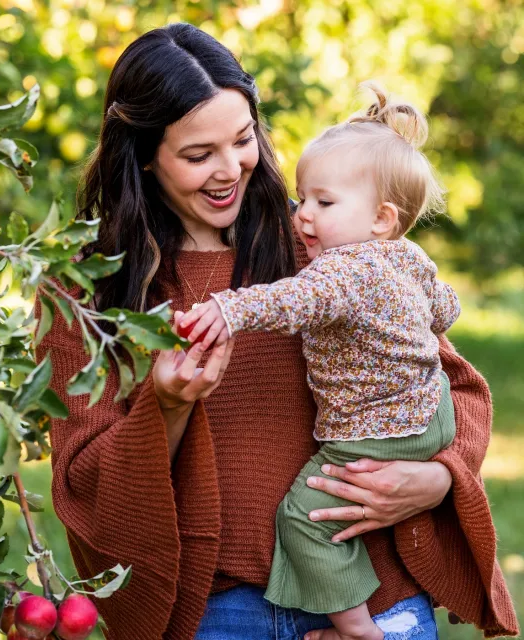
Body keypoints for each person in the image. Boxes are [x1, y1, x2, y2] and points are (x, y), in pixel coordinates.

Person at [35, 23, 518, 640]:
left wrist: (437, 477)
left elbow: (453, 385)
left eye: (242, 141)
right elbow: (84, 486)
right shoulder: (85, 290)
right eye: (197, 154)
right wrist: (167, 405)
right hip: (215, 613)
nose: (230, 169)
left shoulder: (321, 243)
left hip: (374, 598)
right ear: (143, 154)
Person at [178, 85, 476, 640]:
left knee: (305, 518)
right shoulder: (406, 254)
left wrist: (228, 307)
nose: (304, 216)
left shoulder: (336, 270)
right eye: (303, 198)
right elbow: (444, 308)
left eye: (323, 203)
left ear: (382, 217)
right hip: (429, 413)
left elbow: (288, 300)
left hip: (377, 433)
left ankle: (357, 628)